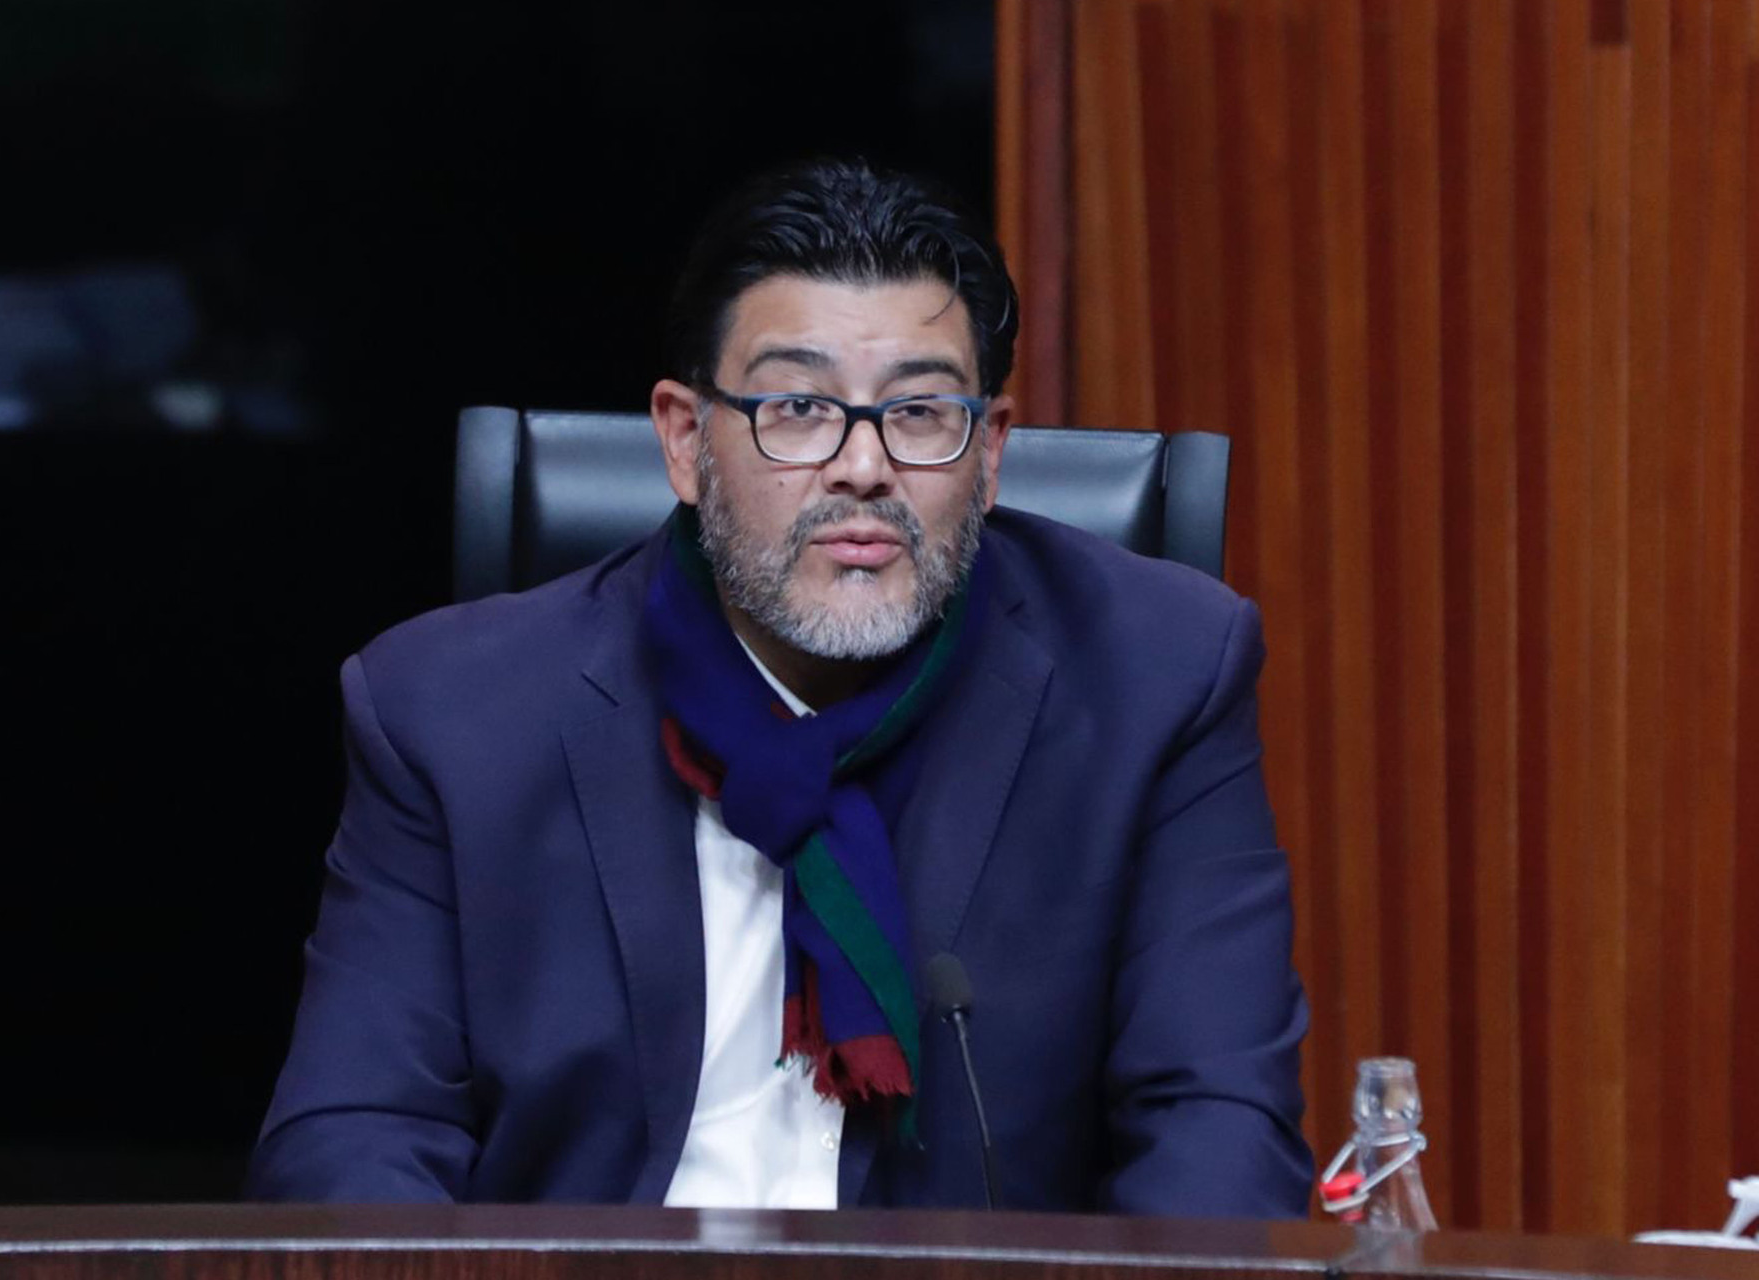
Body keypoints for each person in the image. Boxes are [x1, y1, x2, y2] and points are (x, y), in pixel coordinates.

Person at [247, 159, 1312, 1214]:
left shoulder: (1154, 681)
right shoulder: (451, 713)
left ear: (989, 453)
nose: (863, 466)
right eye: (799, 406)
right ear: (683, 439)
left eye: (919, 412)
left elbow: (1217, 1132)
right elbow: (354, 1139)